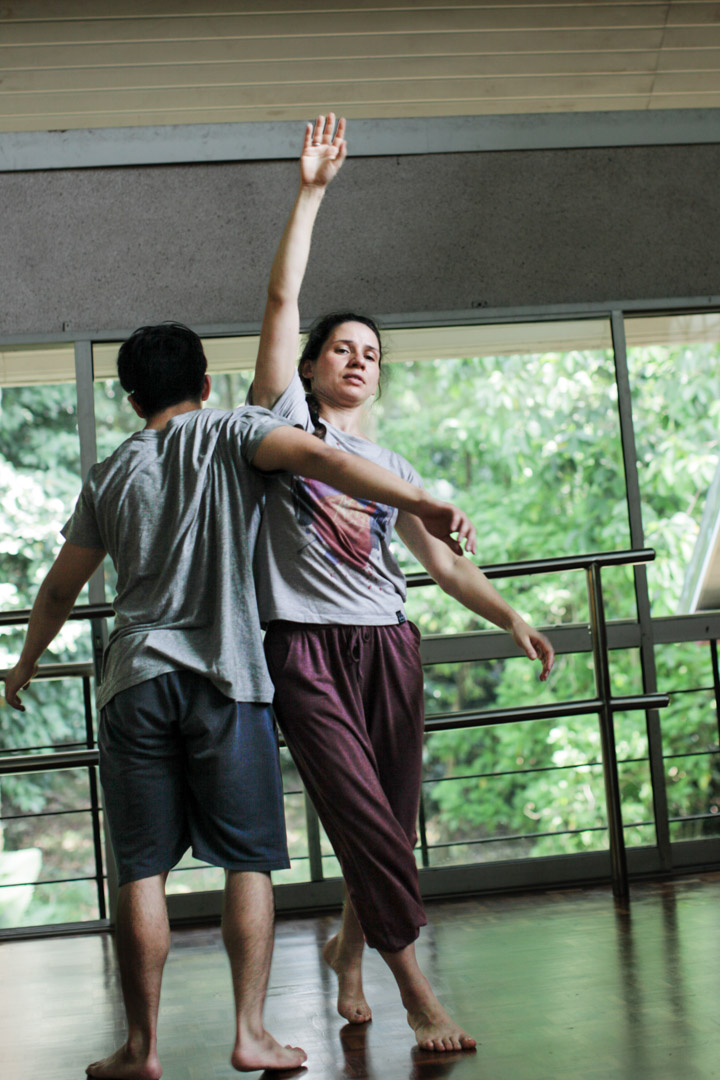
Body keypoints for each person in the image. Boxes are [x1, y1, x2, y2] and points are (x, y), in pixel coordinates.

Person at [2, 322, 477, 1080]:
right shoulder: (232, 430)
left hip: (134, 678)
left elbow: (60, 587)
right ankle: (251, 1033)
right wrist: (423, 500)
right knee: (248, 863)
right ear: (204, 385)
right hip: (230, 678)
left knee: (141, 871)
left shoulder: (108, 473)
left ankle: (141, 1048)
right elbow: (326, 459)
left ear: (131, 400)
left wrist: (25, 662)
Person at [249, 115, 556, 1053]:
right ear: (310, 367)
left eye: (372, 354)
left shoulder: (396, 469)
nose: (358, 359)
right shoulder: (283, 424)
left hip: (389, 641)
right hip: (304, 645)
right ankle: (419, 994)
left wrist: (509, 614)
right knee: (362, 814)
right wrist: (311, 192)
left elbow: (444, 562)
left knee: (389, 820)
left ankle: (349, 949)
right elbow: (281, 298)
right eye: (342, 348)